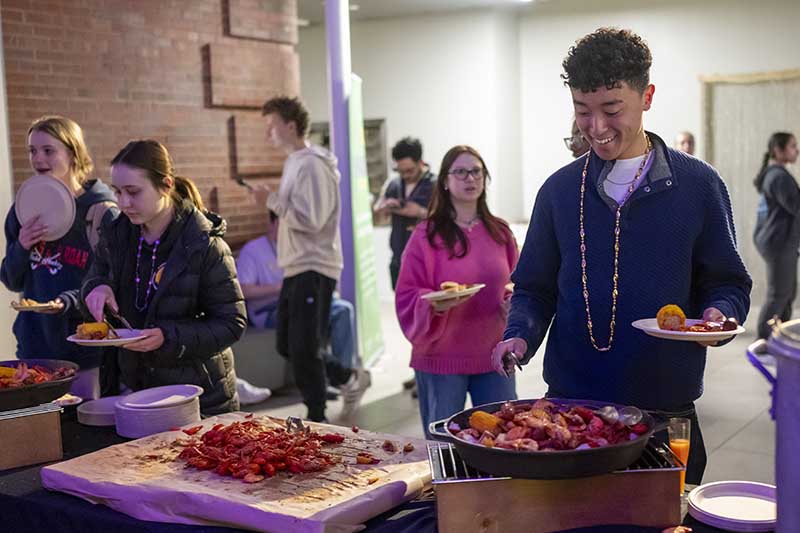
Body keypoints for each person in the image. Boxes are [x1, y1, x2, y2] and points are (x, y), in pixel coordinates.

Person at [491, 28, 751, 485]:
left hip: (664, 407)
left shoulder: (698, 186)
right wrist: (519, 335)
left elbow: (728, 281)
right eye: (582, 111)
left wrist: (718, 314)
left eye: (612, 109)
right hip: (570, 409)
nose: (596, 127)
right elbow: (535, 288)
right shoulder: (559, 191)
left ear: (646, 97)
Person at [83, 140, 246, 415]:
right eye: (117, 192)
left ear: (166, 185)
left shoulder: (205, 245)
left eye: (133, 192)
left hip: (196, 398)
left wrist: (169, 337)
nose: (123, 203)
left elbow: (232, 323)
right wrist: (97, 287)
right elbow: (94, 276)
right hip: (132, 390)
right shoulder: (116, 235)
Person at [253, 96, 370, 422]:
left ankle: (316, 418)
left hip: (314, 264)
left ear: (290, 126)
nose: (268, 135)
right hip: (297, 264)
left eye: (271, 126)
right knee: (288, 345)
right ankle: (347, 377)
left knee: (304, 347)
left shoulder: (312, 164)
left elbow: (313, 220)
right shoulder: (295, 162)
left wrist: (271, 201)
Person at [396, 145, 519, 437]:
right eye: (460, 172)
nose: (470, 178)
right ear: (445, 181)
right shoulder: (425, 235)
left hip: (494, 355)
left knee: (502, 438)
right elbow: (406, 293)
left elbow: (519, 283)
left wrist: (513, 301)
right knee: (444, 444)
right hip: (441, 357)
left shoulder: (500, 232)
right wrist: (432, 304)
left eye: (476, 171)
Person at [1, 115, 118, 399]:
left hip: (86, 349)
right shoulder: (24, 209)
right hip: (34, 347)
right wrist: (22, 246)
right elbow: (11, 280)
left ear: (73, 153)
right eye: (32, 150)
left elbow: (112, 282)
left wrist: (65, 302)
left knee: (86, 433)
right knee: (40, 432)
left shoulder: (100, 212)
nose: (38, 158)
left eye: (48, 150)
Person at [236, 210, 366, 412]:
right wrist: (280, 287)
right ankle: (343, 376)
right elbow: (243, 290)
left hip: (302, 301)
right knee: (303, 336)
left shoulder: (298, 248)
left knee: (343, 310)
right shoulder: (253, 251)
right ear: (271, 224)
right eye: (284, 224)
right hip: (270, 309)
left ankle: (344, 381)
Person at [753, 132, 800, 340]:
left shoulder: (776, 174)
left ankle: (781, 337)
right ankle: (764, 340)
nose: (796, 150)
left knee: (787, 292)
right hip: (778, 242)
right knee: (779, 293)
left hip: (780, 241)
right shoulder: (778, 176)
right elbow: (796, 206)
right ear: (778, 151)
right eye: (792, 146)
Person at [373, 137, 436, 289]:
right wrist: (385, 207)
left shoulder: (436, 185)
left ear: (420, 162)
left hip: (427, 260)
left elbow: (450, 218)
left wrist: (420, 212)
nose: (405, 175)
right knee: (402, 307)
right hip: (398, 256)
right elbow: (378, 216)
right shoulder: (393, 184)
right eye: (401, 171)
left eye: (409, 170)